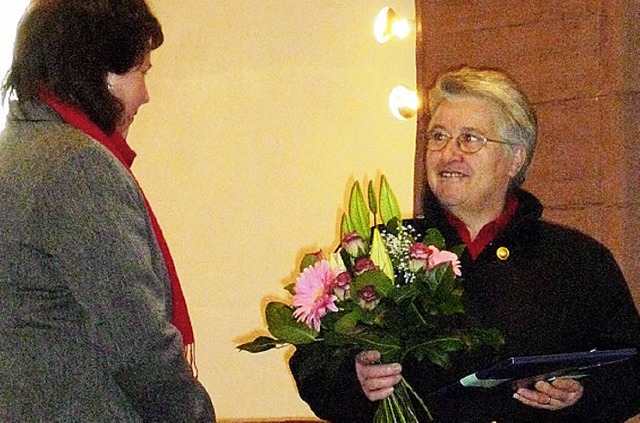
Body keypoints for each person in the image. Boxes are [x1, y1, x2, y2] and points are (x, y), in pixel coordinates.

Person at [289, 67, 640, 422]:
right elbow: (311, 365)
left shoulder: (577, 260)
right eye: (438, 136)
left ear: (515, 158)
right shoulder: (375, 254)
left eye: (470, 139)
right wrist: (356, 380)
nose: (448, 153)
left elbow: (632, 374)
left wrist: (581, 395)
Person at [0, 0, 215, 421]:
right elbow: (139, 342)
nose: (146, 95)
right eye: (141, 72)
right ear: (95, 72)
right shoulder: (76, 165)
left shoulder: (16, 152)